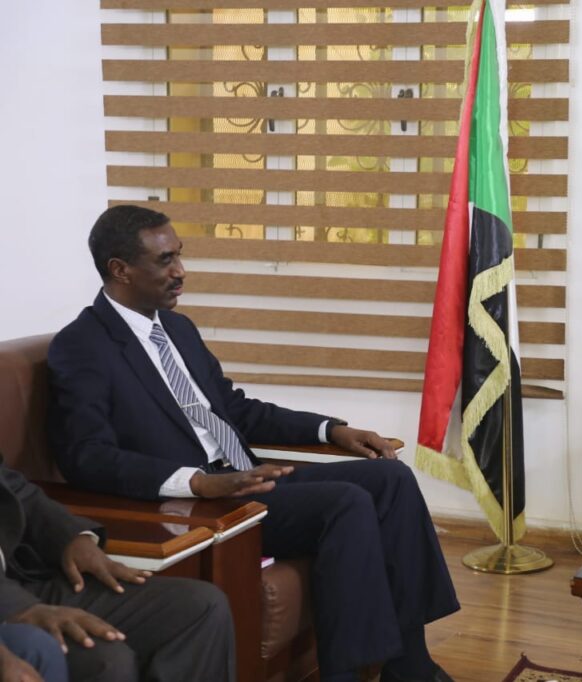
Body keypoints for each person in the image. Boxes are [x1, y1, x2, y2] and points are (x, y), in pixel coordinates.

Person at [47, 205, 459, 682]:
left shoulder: (176, 329)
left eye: (179, 255)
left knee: (391, 478)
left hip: (247, 478)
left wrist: (330, 429)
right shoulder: (82, 346)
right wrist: (197, 483)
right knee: (346, 502)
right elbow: (87, 456)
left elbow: (235, 409)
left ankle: (411, 668)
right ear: (120, 270)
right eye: (165, 260)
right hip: (200, 504)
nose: (181, 271)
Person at [0, 457, 234, 681]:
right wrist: (20, 606)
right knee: (107, 660)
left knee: (202, 605)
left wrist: (74, 538)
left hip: (21, 575)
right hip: (11, 598)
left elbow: (13, 487)